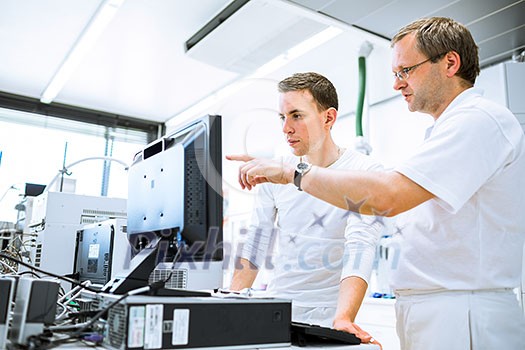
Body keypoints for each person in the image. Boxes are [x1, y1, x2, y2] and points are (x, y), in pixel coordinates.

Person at [229, 17, 525, 350]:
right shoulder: (444, 131)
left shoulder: (478, 121)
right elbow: (256, 241)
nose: (398, 84)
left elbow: (384, 201)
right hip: (431, 308)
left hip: (461, 311)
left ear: (450, 63)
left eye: (405, 71)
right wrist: (229, 303)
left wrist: (292, 172)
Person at [227, 72, 384, 346]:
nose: (286, 127)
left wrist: (344, 317)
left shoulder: (365, 171)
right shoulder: (274, 172)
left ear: (328, 118)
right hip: (279, 310)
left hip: (330, 316)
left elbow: (361, 246)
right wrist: (229, 304)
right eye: (282, 117)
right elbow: (255, 243)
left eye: (297, 115)